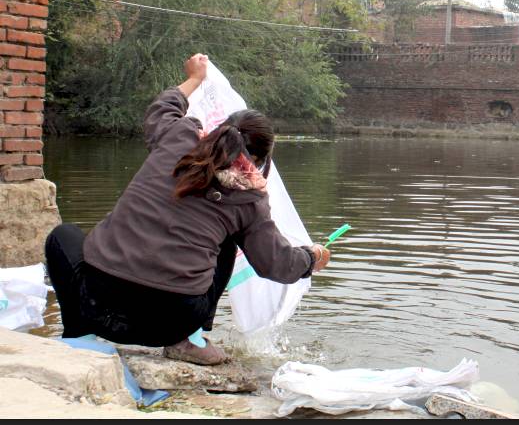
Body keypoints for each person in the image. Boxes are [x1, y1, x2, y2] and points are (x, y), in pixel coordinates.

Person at [44, 53, 330, 365]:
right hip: (169, 324)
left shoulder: (179, 137)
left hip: (97, 302)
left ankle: (79, 335)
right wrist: (312, 257)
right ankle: (189, 340)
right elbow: (275, 263)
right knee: (226, 244)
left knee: (62, 236)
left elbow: (161, 109)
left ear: (219, 131)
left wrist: (194, 79)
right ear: (262, 158)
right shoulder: (250, 198)